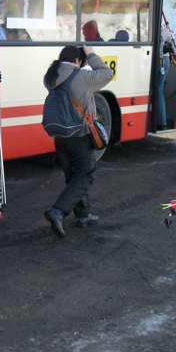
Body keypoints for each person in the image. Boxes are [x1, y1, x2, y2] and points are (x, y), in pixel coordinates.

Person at [43, 45, 114, 238]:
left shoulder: (51, 76)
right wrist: (91, 54)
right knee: (85, 175)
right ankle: (58, 211)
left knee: (73, 176)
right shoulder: (80, 77)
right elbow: (107, 73)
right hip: (79, 135)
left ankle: (83, 215)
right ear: (77, 61)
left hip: (60, 136)